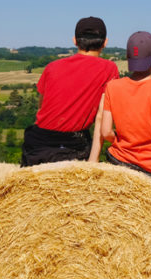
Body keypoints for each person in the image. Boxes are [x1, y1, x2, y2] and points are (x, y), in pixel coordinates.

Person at [21, 16, 121, 166]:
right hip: (72, 144)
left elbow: (41, 106)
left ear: (75, 40)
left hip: (37, 142)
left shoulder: (52, 67)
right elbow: (102, 115)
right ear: (105, 42)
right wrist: (94, 160)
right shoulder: (109, 69)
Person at [97, 30, 151, 193]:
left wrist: (118, 141)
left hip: (118, 161)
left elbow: (106, 131)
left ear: (128, 58)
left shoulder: (112, 87)